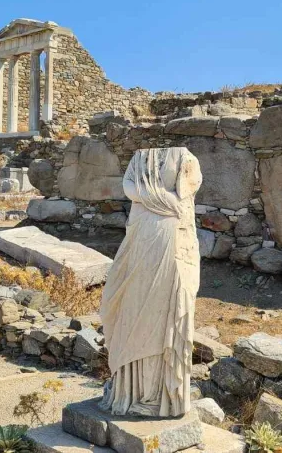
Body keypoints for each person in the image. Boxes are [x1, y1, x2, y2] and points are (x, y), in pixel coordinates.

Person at [99, 147, 203, 417]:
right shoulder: (137, 159)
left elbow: (184, 193)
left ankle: (158, 395)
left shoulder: (185, 159)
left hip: (172, 244)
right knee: (128, 310)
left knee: (164, 315)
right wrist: (162, 200)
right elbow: (131, 187)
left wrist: (150, 199)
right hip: (141, 240)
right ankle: (131, 391)